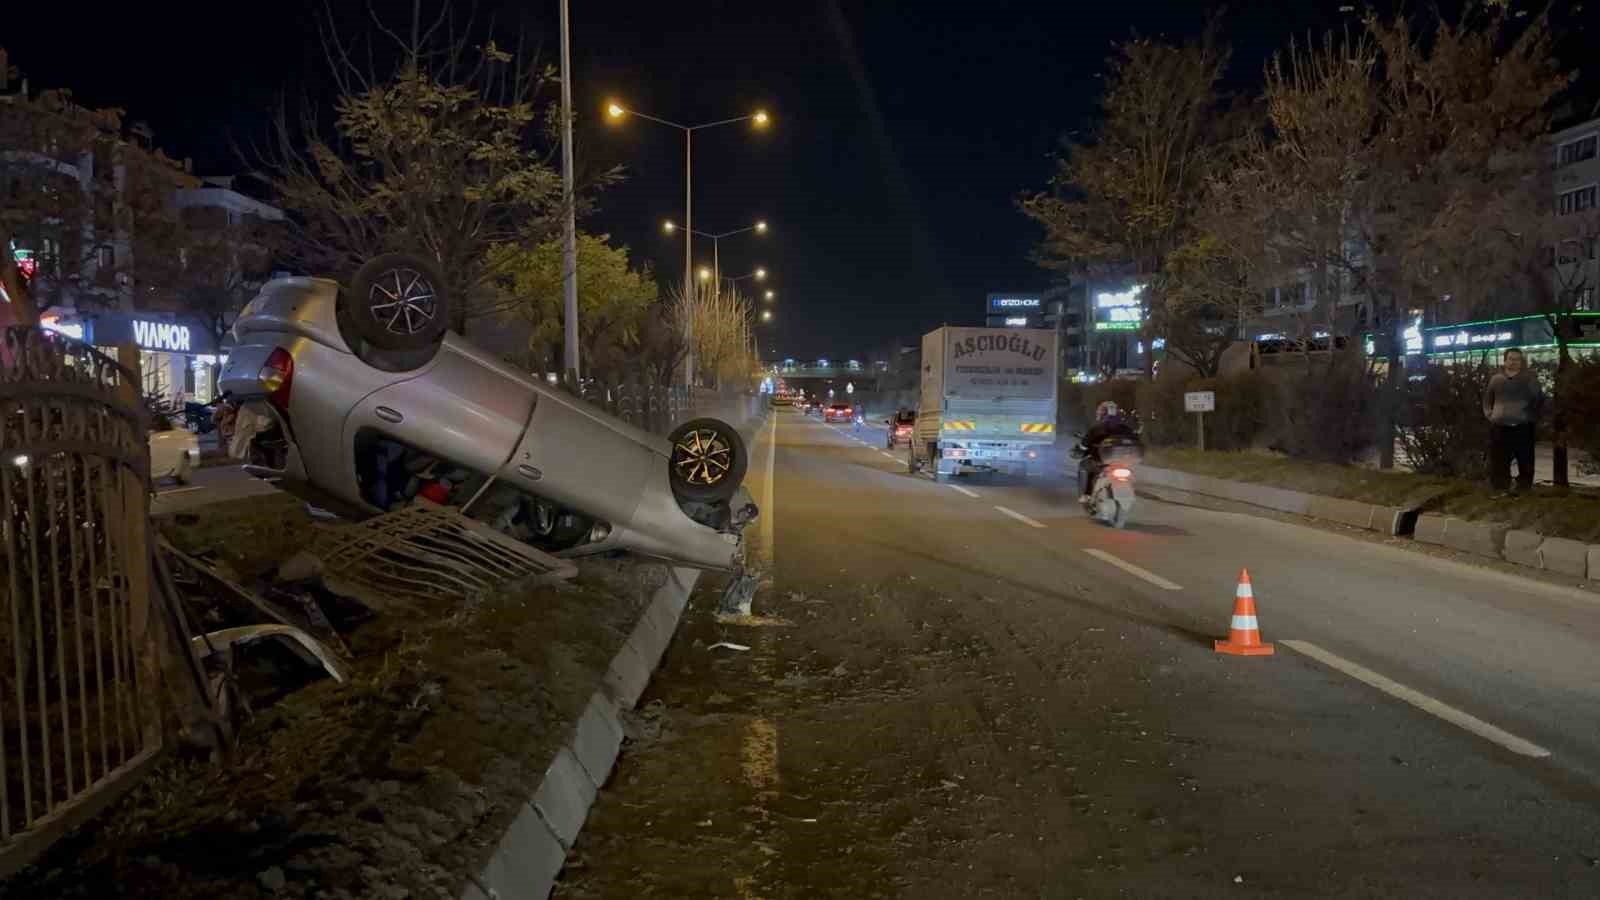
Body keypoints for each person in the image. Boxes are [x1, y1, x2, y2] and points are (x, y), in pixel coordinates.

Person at [1483, 347, 1544, 494]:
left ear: (1521, 362)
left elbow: (1539, 400)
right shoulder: (1496, 379)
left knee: (1525, 460)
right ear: (1505, 361)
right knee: (1499, 459)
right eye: (1510, 359)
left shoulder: (1529, 379)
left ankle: (1523, 489)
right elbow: (1487, 399)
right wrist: (1490, 415)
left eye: (1517, 359)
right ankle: (1500, 488)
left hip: (1523, 426)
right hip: (1499, 426)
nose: (1513, 362)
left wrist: (1532, 416)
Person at [1077, 400, 1138, 502]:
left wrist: (1078, 450)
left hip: (1101, 461)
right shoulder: (1126, 429)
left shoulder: (1096, 429)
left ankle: (1087, 494)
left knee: (1086, 466)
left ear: (1102, 414)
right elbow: (1135, 440)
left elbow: (1083, 446)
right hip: (1123, 461)